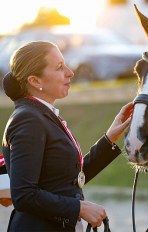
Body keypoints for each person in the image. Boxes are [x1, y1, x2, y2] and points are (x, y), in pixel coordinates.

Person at [1, 40, 133, 231]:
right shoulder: (28, 119)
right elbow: (24, 195)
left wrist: (109, 139)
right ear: (35, 81)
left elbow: (67, 181)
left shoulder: (39, 114)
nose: (70, 72)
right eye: (59, 67)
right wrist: (79, 208)